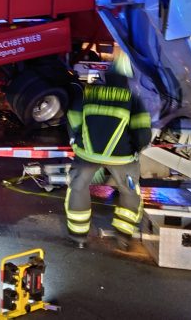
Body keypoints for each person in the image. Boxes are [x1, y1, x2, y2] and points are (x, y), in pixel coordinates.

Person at [64, 50, 151, 250]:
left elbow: (74, 117)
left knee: (78, 187)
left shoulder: (92, 89)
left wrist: (77, 140)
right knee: (129, 191)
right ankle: (123, 237)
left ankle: (78, 236)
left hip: (87, 154)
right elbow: (142, 132)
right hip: (122, 158)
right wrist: (135, 150)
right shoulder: (134, 95)